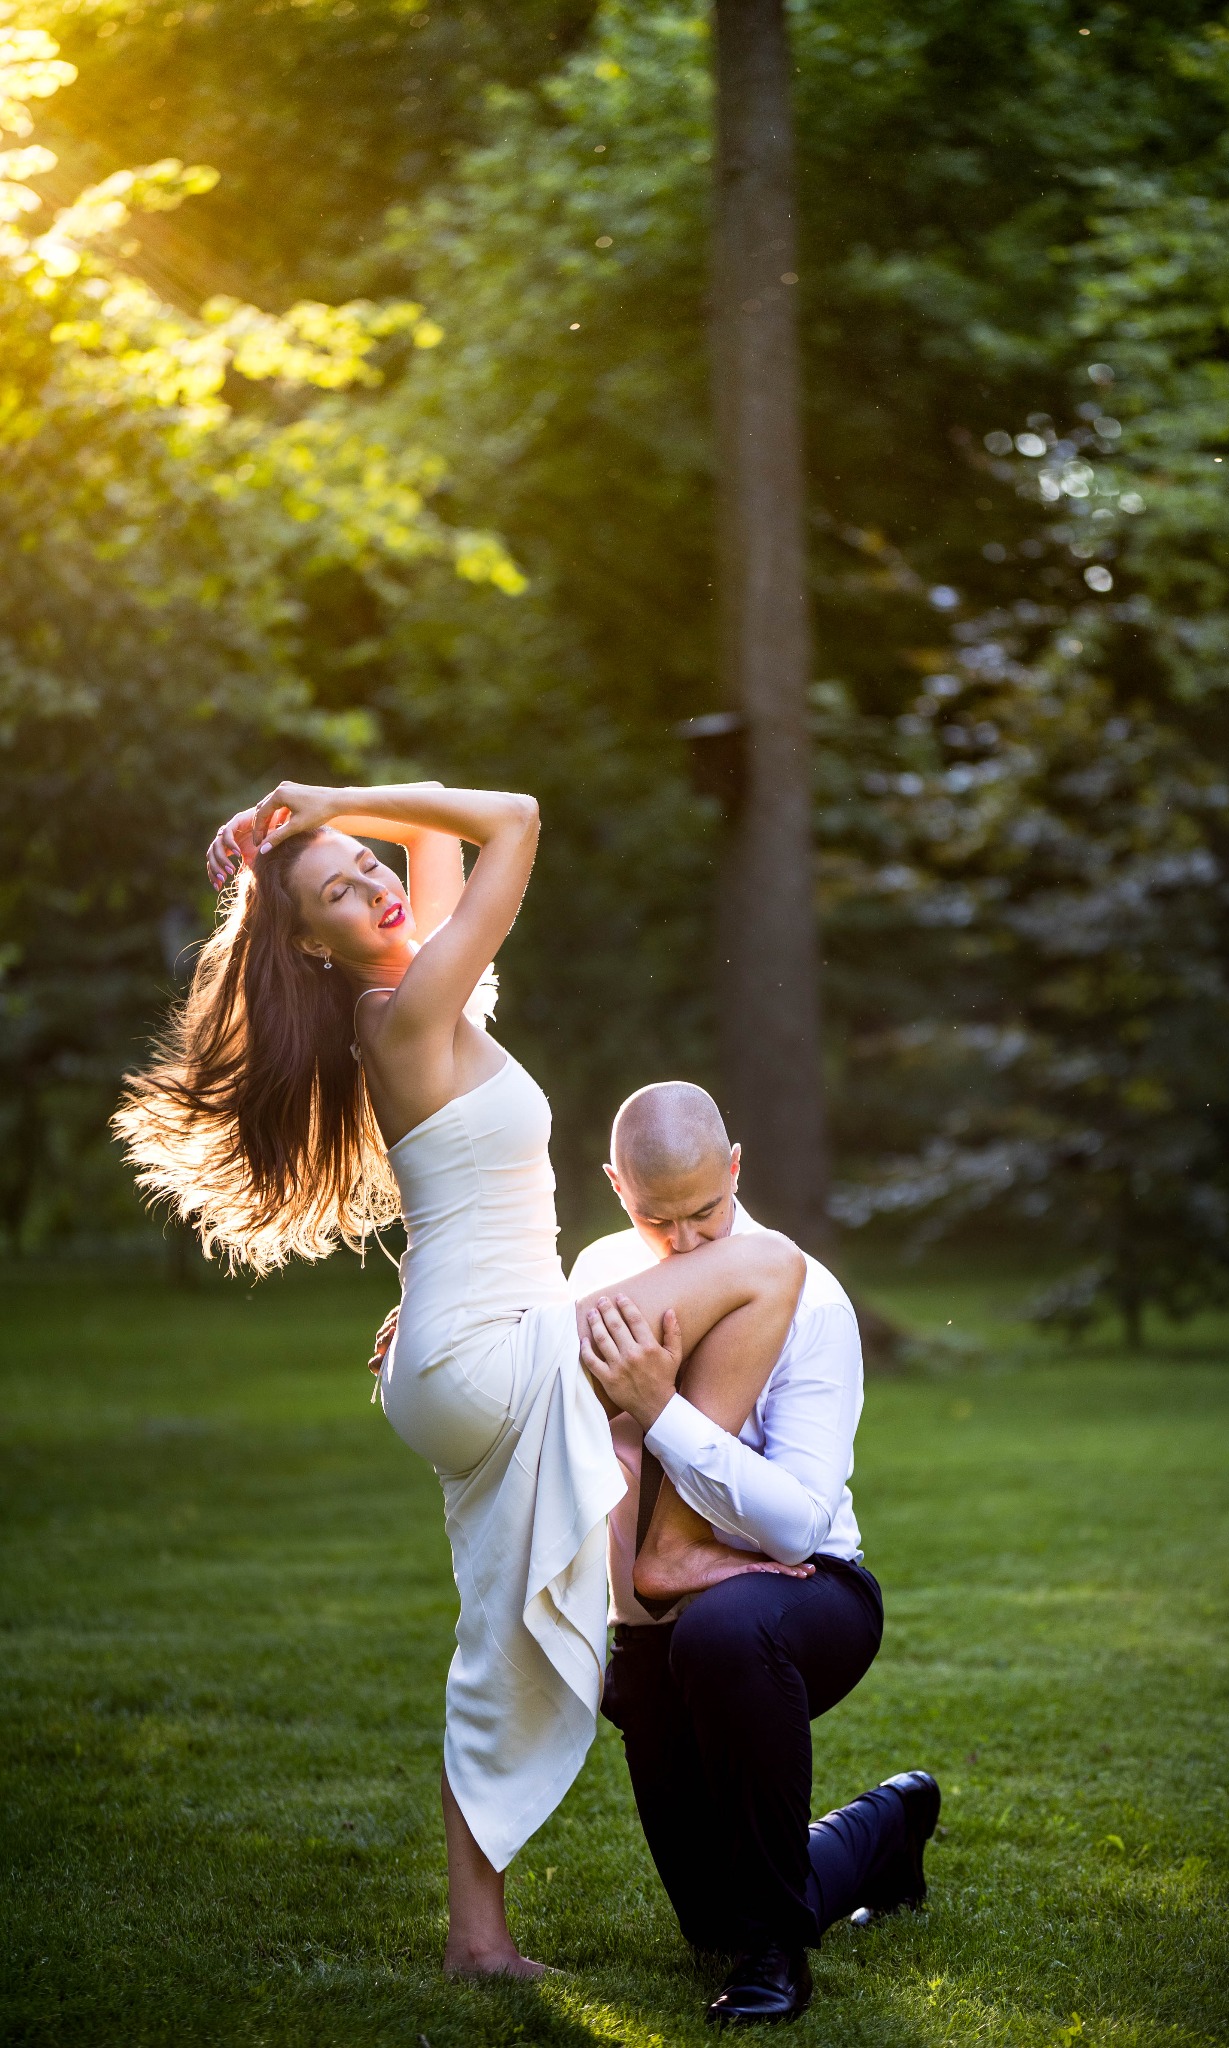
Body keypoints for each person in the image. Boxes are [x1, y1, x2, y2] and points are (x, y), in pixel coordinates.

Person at [115, 778, 812, 1980]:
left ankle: (477, 1938)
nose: (376, 885)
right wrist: (333, 796)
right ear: (309, 941)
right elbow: (517, 817)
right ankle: (672, 1546)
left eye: (369, 863)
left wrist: (330, 826)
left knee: (495, 1634)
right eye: (341, 892)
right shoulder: (407, 1006)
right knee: (765, 1266)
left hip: (464, 1346)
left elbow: (442, 835)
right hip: (482, 1350)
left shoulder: (415, 988)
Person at [571, 1082, 941, 2026]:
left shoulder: (808, 1295)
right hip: (657, 1626)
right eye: (658, 1219)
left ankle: (777, 1956)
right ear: (616, 1188)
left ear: (735, 1166)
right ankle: (887, 1826)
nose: (686, 1241)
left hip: (804, 1594)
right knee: (710, 1920)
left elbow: (797, 1526)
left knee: (725, 1632)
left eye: (705, 1211)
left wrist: (660, 1410)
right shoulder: (602, 1274)